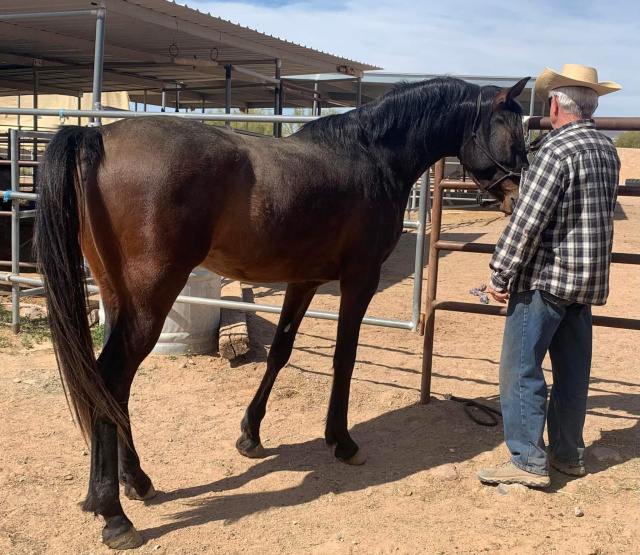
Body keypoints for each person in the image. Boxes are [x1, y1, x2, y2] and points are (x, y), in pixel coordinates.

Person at [477, 65, 621, 488]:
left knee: (520, 368)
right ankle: (568, 454)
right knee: (573, 372)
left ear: (555, 104)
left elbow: (526, 221)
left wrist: (500, 275)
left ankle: (526, 460)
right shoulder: (605, 149)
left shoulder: (556, 151)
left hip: (545, 280)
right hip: (586, 281)